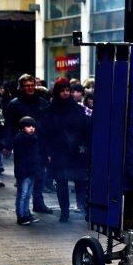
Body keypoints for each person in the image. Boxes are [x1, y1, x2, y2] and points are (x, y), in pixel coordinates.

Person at [40, 77, 91, 222]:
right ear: (57, 92)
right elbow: (45, 134)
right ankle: (65, 212)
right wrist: (47, 152)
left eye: (67, 90)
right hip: (59, 152)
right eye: (62, 91)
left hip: (77, 151)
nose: (65, 93)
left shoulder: (78, 110)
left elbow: (86, 129)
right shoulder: (49, 111)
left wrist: (84, 146)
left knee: (80, 182)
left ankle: (83, 209)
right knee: (61, 182)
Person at [3, 74, 53, 214]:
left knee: (40, 175)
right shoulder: (14, 104)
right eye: (27, 85)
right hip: (23, 146)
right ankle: (23, 209)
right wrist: (8, 144)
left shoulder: (43, 103)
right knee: (24, 176)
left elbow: (48, 125)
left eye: (32, 85)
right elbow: (9, 126)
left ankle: (38, 203)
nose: (30, 88)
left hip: (40, 143)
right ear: (21, 87)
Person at [12, 116, 42, 225]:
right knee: (23, 194)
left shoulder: (34, 138)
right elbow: (21, 158)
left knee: (27, 194)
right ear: (22, 127)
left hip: (31, 170)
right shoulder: (20, 139)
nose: (32, 128)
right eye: (28, 126)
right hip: (24, 171)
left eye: (33, 126)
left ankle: (26, 213)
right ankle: (21, 215)